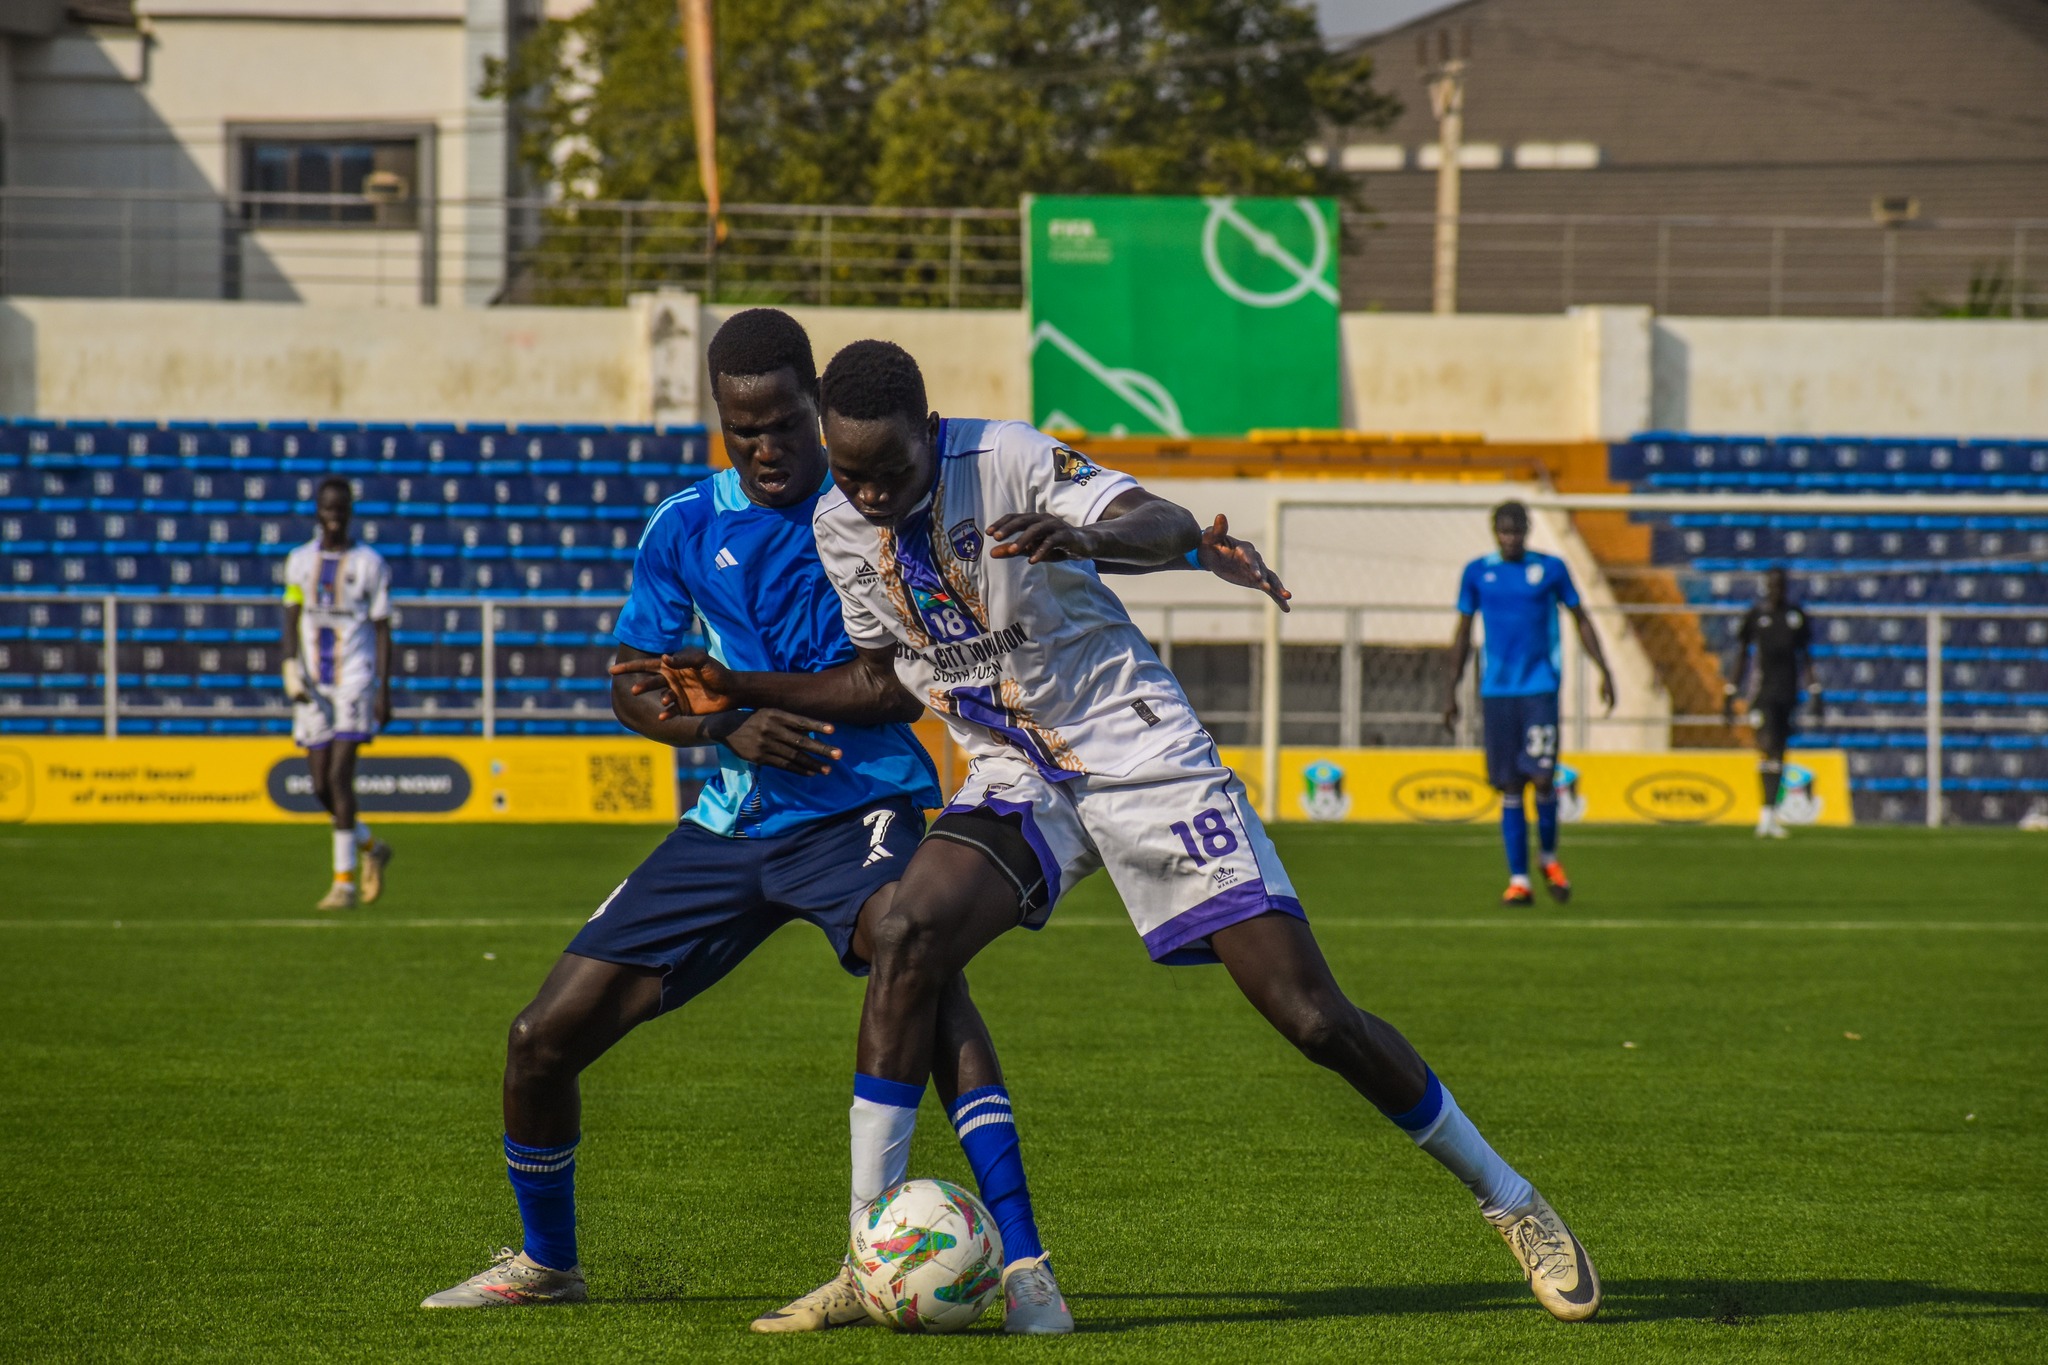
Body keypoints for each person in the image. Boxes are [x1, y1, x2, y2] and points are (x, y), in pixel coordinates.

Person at [664, 340, 1601, 1324]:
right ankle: (868, 1255)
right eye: (850, 474)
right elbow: (883, 679)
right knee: (906, 933)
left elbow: (1158, 521)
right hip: (1017, 772)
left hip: (1141, 755)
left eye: (887, 471)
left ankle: (1511, 1199)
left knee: (1311, 1015)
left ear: (928, 432)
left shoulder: (1007, 458)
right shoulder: (837, 523)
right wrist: (744, 686)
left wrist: (1086, 537)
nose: (868, 495)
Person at [421, 310, 1285, 1332]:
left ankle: (1022, 1256)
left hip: (863, 806)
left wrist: (1184, 550)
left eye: (785, 424)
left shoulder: (872, 502)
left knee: (915, 958)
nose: (767, 448)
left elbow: (980, 597)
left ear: (817, 408)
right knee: (539, 1038)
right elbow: (633, 680)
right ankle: (547, 1261)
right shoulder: (684, 526)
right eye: (743, 430)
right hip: (733, 822)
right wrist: (719, 727)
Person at [1441, 501, 1616, 907]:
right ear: (1494, 532)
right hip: (1497, 692)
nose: (1510, 538)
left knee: (1542, 777)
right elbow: (1463, 632)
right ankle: (1519, 879)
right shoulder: (1477, 572)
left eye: (1516, 531)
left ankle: (1549, 857)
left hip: (1540, 689)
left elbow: (1581, 617)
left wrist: (1604, 670)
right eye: (1504, 531)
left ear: (1527, 530)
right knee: (1510, 786)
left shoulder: (1551, 569)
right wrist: (1450, 689)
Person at [281, 476, 393, 911]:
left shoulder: (370, 563)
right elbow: (290, 615)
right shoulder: (299, 561)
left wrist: (383, 689)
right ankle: (371, 849)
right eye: (328, 508)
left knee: (338, 779)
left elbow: (382, 630)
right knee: (320, 787)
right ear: (317, 511)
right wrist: (289, 665)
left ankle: (343, 884)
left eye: (340, 509)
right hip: (313, 682)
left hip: (354, 679)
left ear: (349, 512)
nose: (334, 516)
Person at [1723, 566, 1818, 839]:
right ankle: (1764, 814)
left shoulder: (1795, 616)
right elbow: (1743, 654)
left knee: (1779, 751)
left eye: (1779, 584)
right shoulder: (1756, 615)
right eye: (1771, 584)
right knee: (1765, 745)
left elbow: (1805, 656)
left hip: (1787, 693)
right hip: (1762, 694)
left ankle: (1770, 814)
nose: (1775, 589)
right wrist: (1731, 691)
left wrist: (1815, 690)